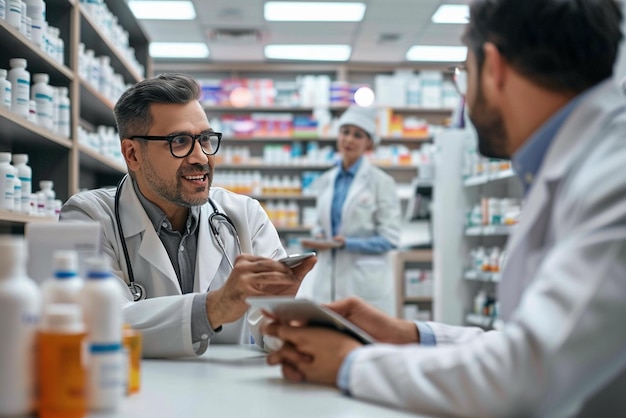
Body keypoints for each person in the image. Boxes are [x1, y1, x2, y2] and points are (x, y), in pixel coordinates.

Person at [261, 0, 626, 416]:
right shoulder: (581, 162)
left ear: (494, 67)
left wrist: (349, 362)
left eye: (461, 76)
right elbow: (540, 344)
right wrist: (411, 334)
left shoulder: (614, 178)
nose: (464, 96)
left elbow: (527, 375)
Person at [60, 73, 316, 358]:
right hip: (133, 393)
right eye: (180, 141)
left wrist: (284, 315)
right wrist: (211, 308)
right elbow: (95, 322)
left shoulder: (245, 215)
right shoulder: (88, 218)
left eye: (205, 139)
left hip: (225, 396)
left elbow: (270, 329)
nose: (202, 157)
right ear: (132, 154)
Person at [297, 105, 401, 315]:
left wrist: (347, 243)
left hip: (363, 282)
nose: (349, 139)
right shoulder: (327, 180)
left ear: (368, 142)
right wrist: (319, 235)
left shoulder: (381, 182)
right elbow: (322, 223)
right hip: (328, 280)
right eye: (345, 132)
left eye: (358, 135)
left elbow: (390, 239)